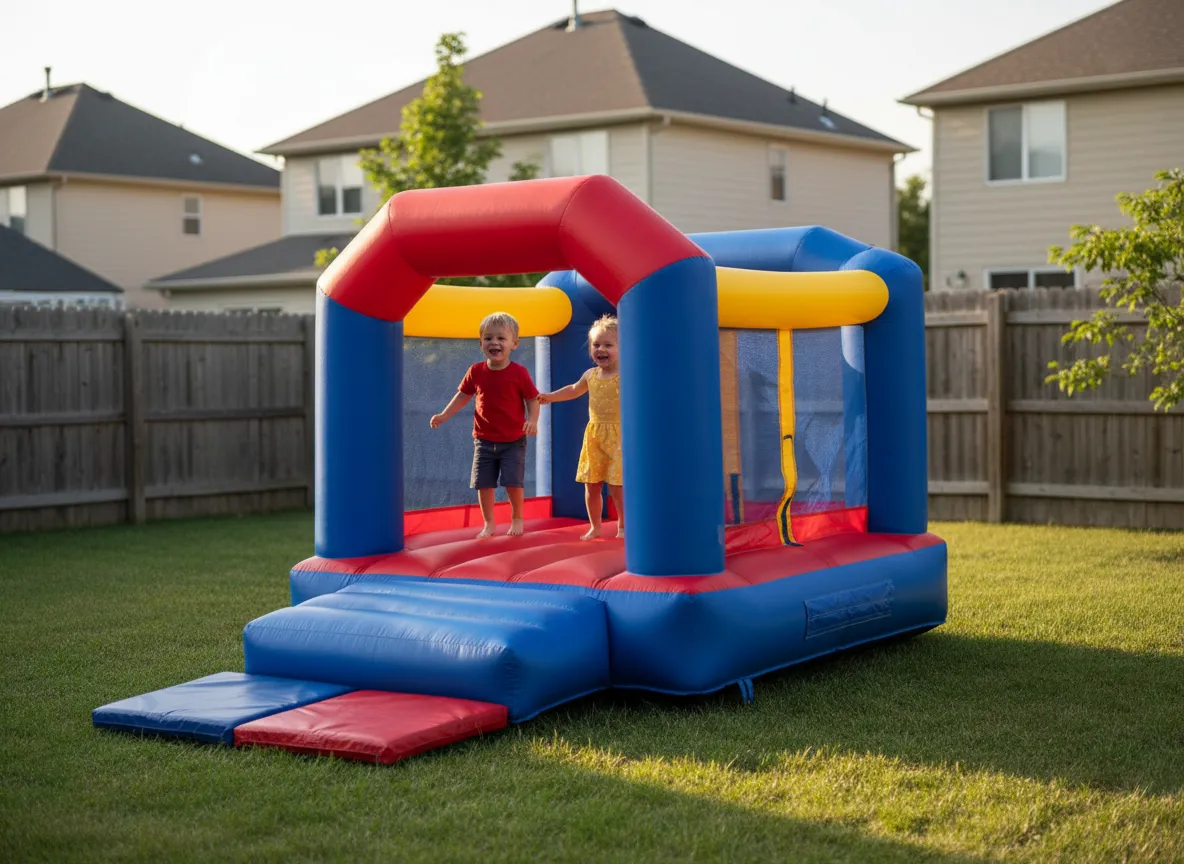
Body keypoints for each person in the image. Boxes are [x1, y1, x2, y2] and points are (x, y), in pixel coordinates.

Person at [430, 312, 539, 538]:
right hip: (484, 440)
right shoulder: (476, 371)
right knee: (483, 483)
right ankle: (489, 523)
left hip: (513, 440)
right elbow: (462, 395)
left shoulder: (519, 373)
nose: (494, 343)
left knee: (513, 482)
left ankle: (517, 517)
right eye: (488, 338)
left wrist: (533, 420)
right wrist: (444, 414)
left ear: (514, 344)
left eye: (501, 338)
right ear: (481, 344)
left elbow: (532, 398)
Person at [538, 315, 623, 540]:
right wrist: (550, 397)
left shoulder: (625, 376)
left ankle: (623, 526)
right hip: (595, 435)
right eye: (596, 345)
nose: (600, 349)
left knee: (617, 485)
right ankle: (595, 526)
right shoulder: (590, 375)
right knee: (591, 484)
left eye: (608, 345)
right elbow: (573, 390)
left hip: (620, 436)